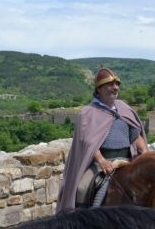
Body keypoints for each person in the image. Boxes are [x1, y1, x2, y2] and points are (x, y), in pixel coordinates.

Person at [56, 67, 148, 212]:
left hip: (128, 160)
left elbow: (135, 135)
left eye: (117, 84)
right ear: (99, 89)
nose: (115, 88)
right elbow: (89, 144)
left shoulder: (124, 108)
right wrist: (103, 162)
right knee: (82, 188)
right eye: (110, 84)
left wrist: (146, 154)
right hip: (100, 163)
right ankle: (80, 224)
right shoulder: (89, 113)